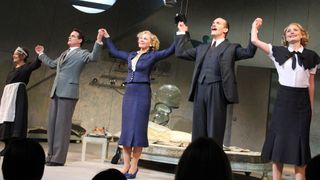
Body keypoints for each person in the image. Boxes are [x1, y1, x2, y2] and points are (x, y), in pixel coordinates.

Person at [251, 18, 320, 180]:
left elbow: (311, 84)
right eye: (288, 30)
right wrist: (255, 26)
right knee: (278, 144)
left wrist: (310, 107)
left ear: (303, 35)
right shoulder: (277, 51)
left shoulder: (311, 56)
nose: (291, 32)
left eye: (295, 30)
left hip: (301, 103)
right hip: (283, 101)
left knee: (300, 145)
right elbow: (254, 40)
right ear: (285, 36)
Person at [101, 28, 175, 179]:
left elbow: (170, 50)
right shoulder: (131, 55)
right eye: (140, 38)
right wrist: (107, 36)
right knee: (127, 130)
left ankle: (134, 166)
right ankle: (126, 165)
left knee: (138, 130)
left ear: (151, 43)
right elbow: (114, 51)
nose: (141, 40)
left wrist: (180, 34)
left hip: (142, 93)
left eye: (145, 38)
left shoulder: (153, 55)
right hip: (129, 92)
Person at [175, 18, 257, 146]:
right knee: (198, 128)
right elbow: (180, 53)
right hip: (200, 88)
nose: (213, 24)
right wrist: (181, 33)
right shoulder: (201, 48)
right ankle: (197, 158)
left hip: (217, 89)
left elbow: (249, 52)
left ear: (225, 30)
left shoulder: (231, 47)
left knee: (214, 128)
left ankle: (213, 161)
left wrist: (254, 31)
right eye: (212, 22)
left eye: (218, 23)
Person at [34, 28, 104, 166]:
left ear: (80, 40)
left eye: (73, 36)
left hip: (68, 92)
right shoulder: (64, 53)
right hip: (56, 91)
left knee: (62, 126)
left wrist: (99, 40)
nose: (69, 37)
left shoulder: (82, 53)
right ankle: (50, 155)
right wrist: (41, 54)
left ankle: (58, 158)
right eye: (69, 35)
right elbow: (53, 65)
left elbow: (94, 57)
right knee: (53, 125)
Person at [0, 47, 41, 155]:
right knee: (6, 119)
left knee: (17, 118)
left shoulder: (26, 67)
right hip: (8, 96)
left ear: (22, 56)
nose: (13, 55)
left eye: (16, 54)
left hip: (18, 95)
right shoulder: (13, 70)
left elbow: (36, 64)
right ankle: (7, 145)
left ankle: (14, 147)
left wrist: (39, 54)